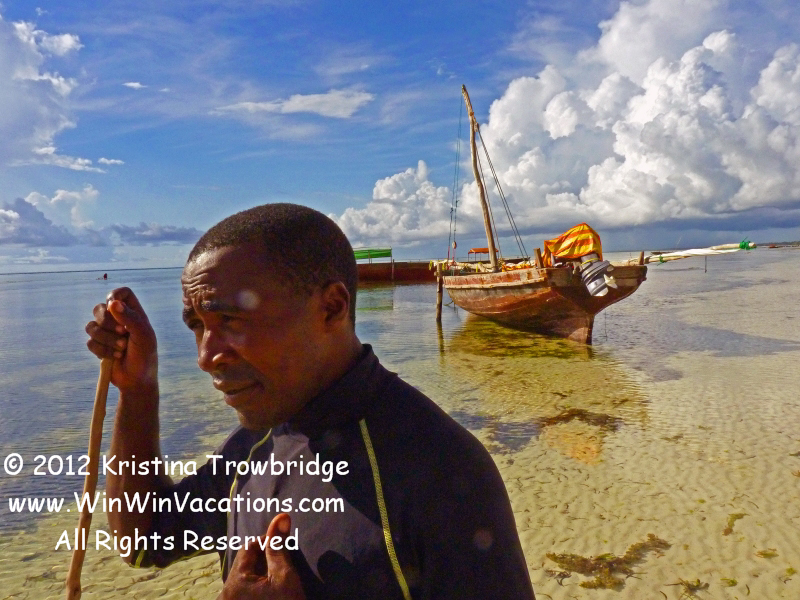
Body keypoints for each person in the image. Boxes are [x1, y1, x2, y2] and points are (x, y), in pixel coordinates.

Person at [86, 203, 535, 599]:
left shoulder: (441, 472)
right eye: (198, 326)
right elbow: (143, 541)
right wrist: (138, 388)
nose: (206, 357)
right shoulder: (253, 448)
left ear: (331, 308)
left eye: (231, 319)